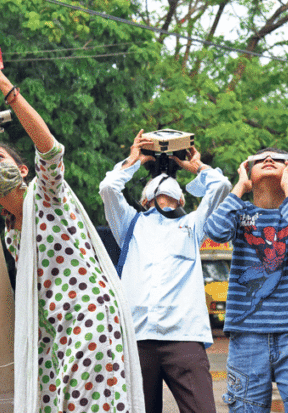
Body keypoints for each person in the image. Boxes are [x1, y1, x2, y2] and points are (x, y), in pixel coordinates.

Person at [0, 44, 145, 412]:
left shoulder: (46, 195)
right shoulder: (6, 229)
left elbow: (49, 149)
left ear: (22, 171)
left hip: (88, 316)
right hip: (50, 333)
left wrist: (3, 83)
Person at [99, 130, 232, 413]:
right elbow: (109, 189)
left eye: (171, 194)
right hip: (138, 339)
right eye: (156, 193)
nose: (163, 191)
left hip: (184, 339)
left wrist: (193, 166)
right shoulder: (130, 225)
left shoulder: (193, 226)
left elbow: (220, 186)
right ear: (144, 200)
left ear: (183, 200)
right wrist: (134, 160)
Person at [204, 148, 288, 412]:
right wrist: (239, 188)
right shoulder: (240, 215)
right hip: (246, 334)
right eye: (260, 159)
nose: (268, 160)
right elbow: (214, 231)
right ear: (249, 175)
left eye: (278, 159)